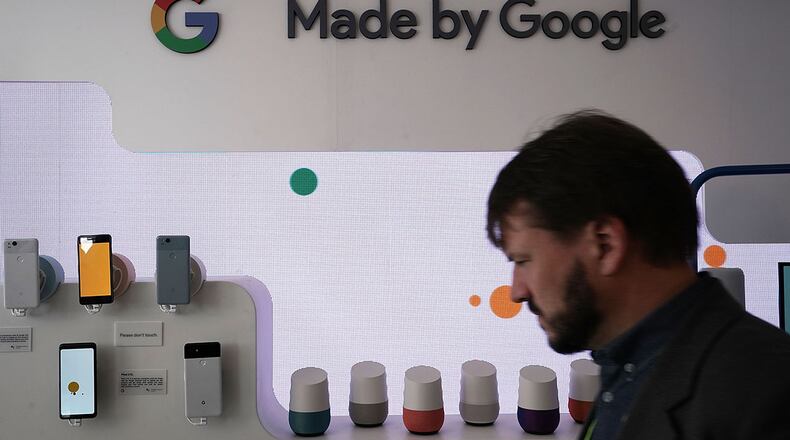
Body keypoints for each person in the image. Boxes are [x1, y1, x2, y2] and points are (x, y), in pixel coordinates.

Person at [486, 110, 790, 440]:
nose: (516, 291)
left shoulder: (766, 393)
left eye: (523, 260)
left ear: (605, 244)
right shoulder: (626, 368)